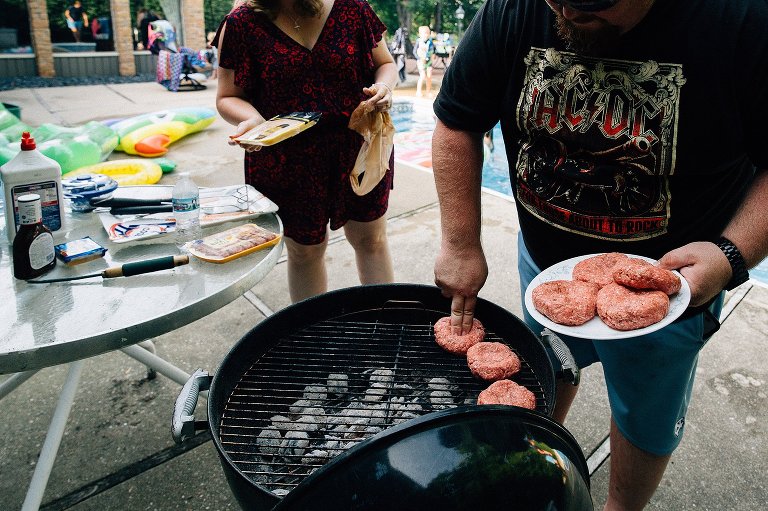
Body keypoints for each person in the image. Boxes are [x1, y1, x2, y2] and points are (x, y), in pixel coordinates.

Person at [431, 1, 768, 510]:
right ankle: (530, 463)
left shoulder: (744, 19)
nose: (568, 9)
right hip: (547, 271)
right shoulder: (512, 8)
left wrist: (730, 254)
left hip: (671, 289)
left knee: (645, 413)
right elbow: (457, 119)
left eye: (597, 1)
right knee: (551, 367)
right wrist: (459, 241)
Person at [214, 0, 398, 303]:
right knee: (304, 253)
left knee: (371, 240)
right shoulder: (241, 23)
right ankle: (314, 338)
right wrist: (251, 120)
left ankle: (387, 327)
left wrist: (385, 87)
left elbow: (386, 64)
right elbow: (227, 96)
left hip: (360, 148)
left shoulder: (352, 7)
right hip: (287, 160)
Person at [413, 25, 435, 97]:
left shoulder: (430, 42)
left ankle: (428, 91)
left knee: (429, 76)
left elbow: (433, 50)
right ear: (420, 34)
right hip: (421, 61)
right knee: (422, 76)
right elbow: (414, 52)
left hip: (429, 61)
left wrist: (433, 57)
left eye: (428, 33)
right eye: (425, 33)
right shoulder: (418, 42)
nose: (427, 34)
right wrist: (419, 59)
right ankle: (418, 91)